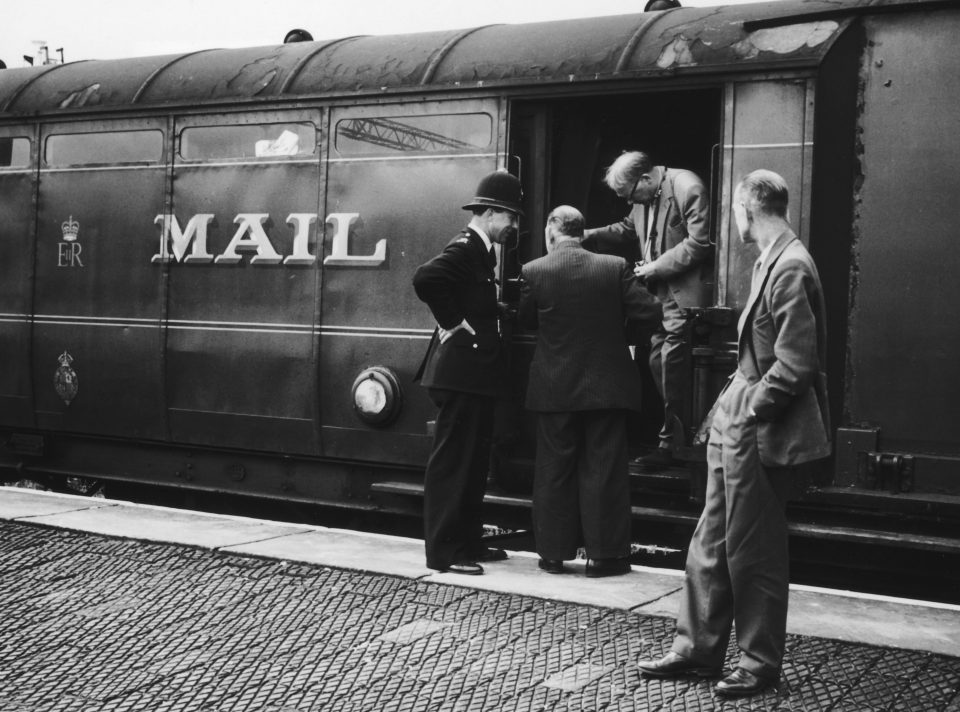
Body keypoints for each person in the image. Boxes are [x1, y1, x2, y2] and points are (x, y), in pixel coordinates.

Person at [637, 170, 830, 697]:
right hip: (738, 417)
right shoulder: (773, 259)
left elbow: (795, 365)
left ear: (748, 209)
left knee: (753, 549)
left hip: (756, 425)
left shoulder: (789, 267)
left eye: (733, 211)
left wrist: (749, 410)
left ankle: (758, 663)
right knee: (710, 538)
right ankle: (696, 649)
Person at [519, 206, 662, 577]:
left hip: (554, 387)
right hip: (607, 386)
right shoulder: (614, 266)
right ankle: (604, 558)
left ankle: (552, 555)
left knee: (553, 470)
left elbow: (524, 320)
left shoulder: (534, 271)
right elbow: (650, 312)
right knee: (604, 470)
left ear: (552, 232)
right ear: (582, 233)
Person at [412, 170, 523, 576]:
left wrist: (494, 311)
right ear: (491, 213)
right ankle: (444, 553)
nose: (513, 226)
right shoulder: (465, 247)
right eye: (510, 218)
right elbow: (426, 278)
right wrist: (453, 321)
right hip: (460, 372)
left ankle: (468, 541)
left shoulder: (482, 249)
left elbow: (470, 294)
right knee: (454, 463)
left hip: (473, 374)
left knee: (474, 462)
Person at [584, 151, 712, 469]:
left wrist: (654, 268)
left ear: (645, 179)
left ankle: (673, 445)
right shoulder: (644, 197)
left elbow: (699, 242)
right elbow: (628, 229)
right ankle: (674, 438)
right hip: (659, 298)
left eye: (629, 194)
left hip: (682, 296)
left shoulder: (687, 187)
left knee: (671, 366)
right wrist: (589, 234)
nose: (631, 201)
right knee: (659, 364)